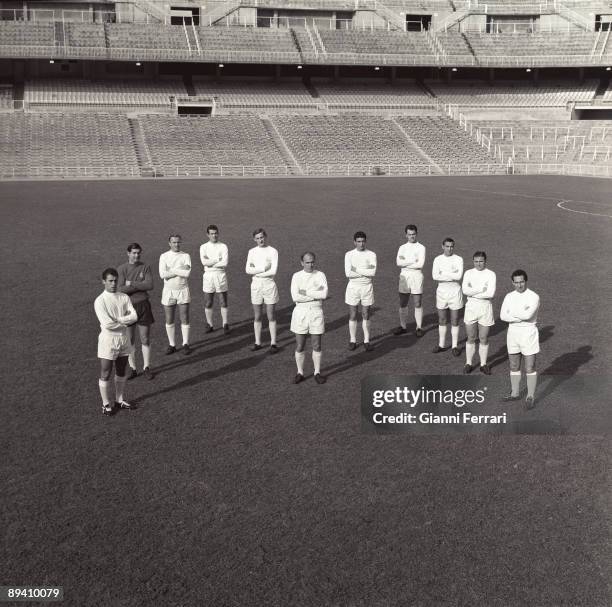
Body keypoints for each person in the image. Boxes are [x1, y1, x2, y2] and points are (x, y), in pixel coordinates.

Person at [94, 268, 137, 415]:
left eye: (115, 281)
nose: (113, 284)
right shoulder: (100, 301)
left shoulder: (124, 297)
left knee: (121, 370)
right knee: (105, 372)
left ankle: (119, 400)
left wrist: (119, 320)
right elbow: (107, 324)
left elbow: (135, 316)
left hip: (123, 338)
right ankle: (105, 404)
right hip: (108, 340)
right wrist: (126, 320)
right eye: (110, 281)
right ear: (104, 282)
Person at [500, 269, 540, 409]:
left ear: (526, 281)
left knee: (530, 367)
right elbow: (503, 316)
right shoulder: (509, 296)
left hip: (528, 334)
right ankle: (515, 393)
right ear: (512, 283)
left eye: (522, 282)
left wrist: (512, 313)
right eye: (516, 282)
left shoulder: (534, 296)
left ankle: (530, 396)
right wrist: (520, 313)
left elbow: (528, 315)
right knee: (514, 365)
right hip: (513, 334)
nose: (519, 285)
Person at [117, 243, 155, 380]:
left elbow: (150, 285)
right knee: (130, 340)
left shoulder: (145, 267)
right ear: (128, 253)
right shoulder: (121, 269)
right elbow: (120, 289)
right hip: (128, 308)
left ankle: (146, 367)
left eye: (138, 253)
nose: (136, 255)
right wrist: (140, 285)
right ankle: (133, 368)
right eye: (133, 253)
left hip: (143, 306)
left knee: (145, 338)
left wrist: (131, 283)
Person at [290, 252, 328, 384]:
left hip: (316, 311)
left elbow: (324, 294)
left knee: (316, 344)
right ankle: (300, 372)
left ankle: (317, 372)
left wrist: (305, 292)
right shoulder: (296, 276)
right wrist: (315, 293)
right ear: (302, 263)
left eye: (312, 262)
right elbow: (295, 297)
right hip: (300, 312)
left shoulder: (320, 275)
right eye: (307, 262)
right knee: (300, 345)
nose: (310, 264)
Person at [462, 251, 496, 375]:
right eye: (476, 261)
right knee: (471, 337)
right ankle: (469, 363)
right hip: (471, 307)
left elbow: (490, 293)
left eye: (481, 261)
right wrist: (481, 289)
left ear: (485, 261)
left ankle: (483, 364)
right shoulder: (468, 273)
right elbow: (465, 290)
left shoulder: (491, 274)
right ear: (473, 261)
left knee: (483, 338)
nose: (478, 264)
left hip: (485, 308)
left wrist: (473, 290)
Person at [245, 228, 279, 353]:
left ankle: (273, 343)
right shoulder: (251, 252)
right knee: (257, 315)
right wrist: (264, 268)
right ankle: (257, 342)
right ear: (254, 239)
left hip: (269, 285)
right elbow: (247, 270)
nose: (260, 240)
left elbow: (273, 271)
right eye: (258, 238)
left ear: (266, 237)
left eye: (262, 237)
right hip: (256, 286)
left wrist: (256, 271)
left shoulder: (273, 251)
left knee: (271, 315)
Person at [159, 234, 192, 355]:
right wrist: (179, 269)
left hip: (183, 290)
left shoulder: (186, 255)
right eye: (174, 242)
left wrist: (171, 270)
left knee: (184, 318)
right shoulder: (164, 256)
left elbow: (187, 273)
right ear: (169, 243)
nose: (176, 244)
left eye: (178, 242)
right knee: (169, 319)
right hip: (168, 291)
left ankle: (185, 344)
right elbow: (162, 275)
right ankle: (172, 344)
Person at [345, 231, 377, 351]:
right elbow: (348, 273)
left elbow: (372, 273)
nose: (361, 244)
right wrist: (364, 270)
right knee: (353, 314)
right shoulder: (349, 255)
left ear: (365, 241)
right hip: (353, 287)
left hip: (367, 287)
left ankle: (366, 340)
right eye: (358, 242)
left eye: (363, 241)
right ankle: (353, 340)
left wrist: (356, 269)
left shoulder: (371, 254)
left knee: (366, 314)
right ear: (354, 242)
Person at [432, 238, 464, 356]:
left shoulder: (458, 259)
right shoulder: (437, 259)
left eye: (451, 246)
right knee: (442, 319)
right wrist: (452, 274)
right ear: (442, 246)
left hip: (455, 292)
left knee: (455, 319)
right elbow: (435, 276)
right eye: (447, 246)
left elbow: (459, 276)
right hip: (441, 292)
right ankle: (441, 345)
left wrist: (443, 274)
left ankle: (454, 346)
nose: (449, 249)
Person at [393, 224, 425, 337]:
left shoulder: (421, 247)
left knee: (417, 302)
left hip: (417, 276)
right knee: (403, 302)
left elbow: (420, 264)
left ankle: (419, 327)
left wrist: (406, 261)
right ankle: (403, 326)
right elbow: (398, 263)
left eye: (413, 234)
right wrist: (413, 261)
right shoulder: (402, 248)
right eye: (409, 234)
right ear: (406, 235)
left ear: (416, 234)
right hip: (405, 276)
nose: (412, 236)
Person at [200, 224, 230, 335]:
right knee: (208, 302)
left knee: (223, 301)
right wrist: (218, 259)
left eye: (216, 233)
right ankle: (210, 324)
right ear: (208, 235)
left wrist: (211, 262)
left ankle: (225, 324)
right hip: (208, 277)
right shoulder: (203, 247)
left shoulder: (223, 246)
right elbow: (204, 262)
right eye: (212, 234)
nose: (214, 235)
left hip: (220, 275)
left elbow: (225, 263)